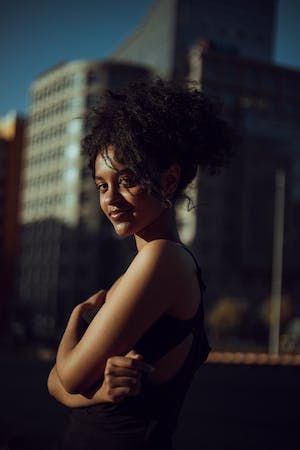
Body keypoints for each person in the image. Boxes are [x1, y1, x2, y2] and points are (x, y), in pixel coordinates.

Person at [47, 78, 236, 449]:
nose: (111, 198)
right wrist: (99, 392)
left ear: (167, 181)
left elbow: (65, 379)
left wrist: (73, 322)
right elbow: (54, 384)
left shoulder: (162, 260)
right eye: (102, 186)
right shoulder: (143, 269)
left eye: (127, 180)